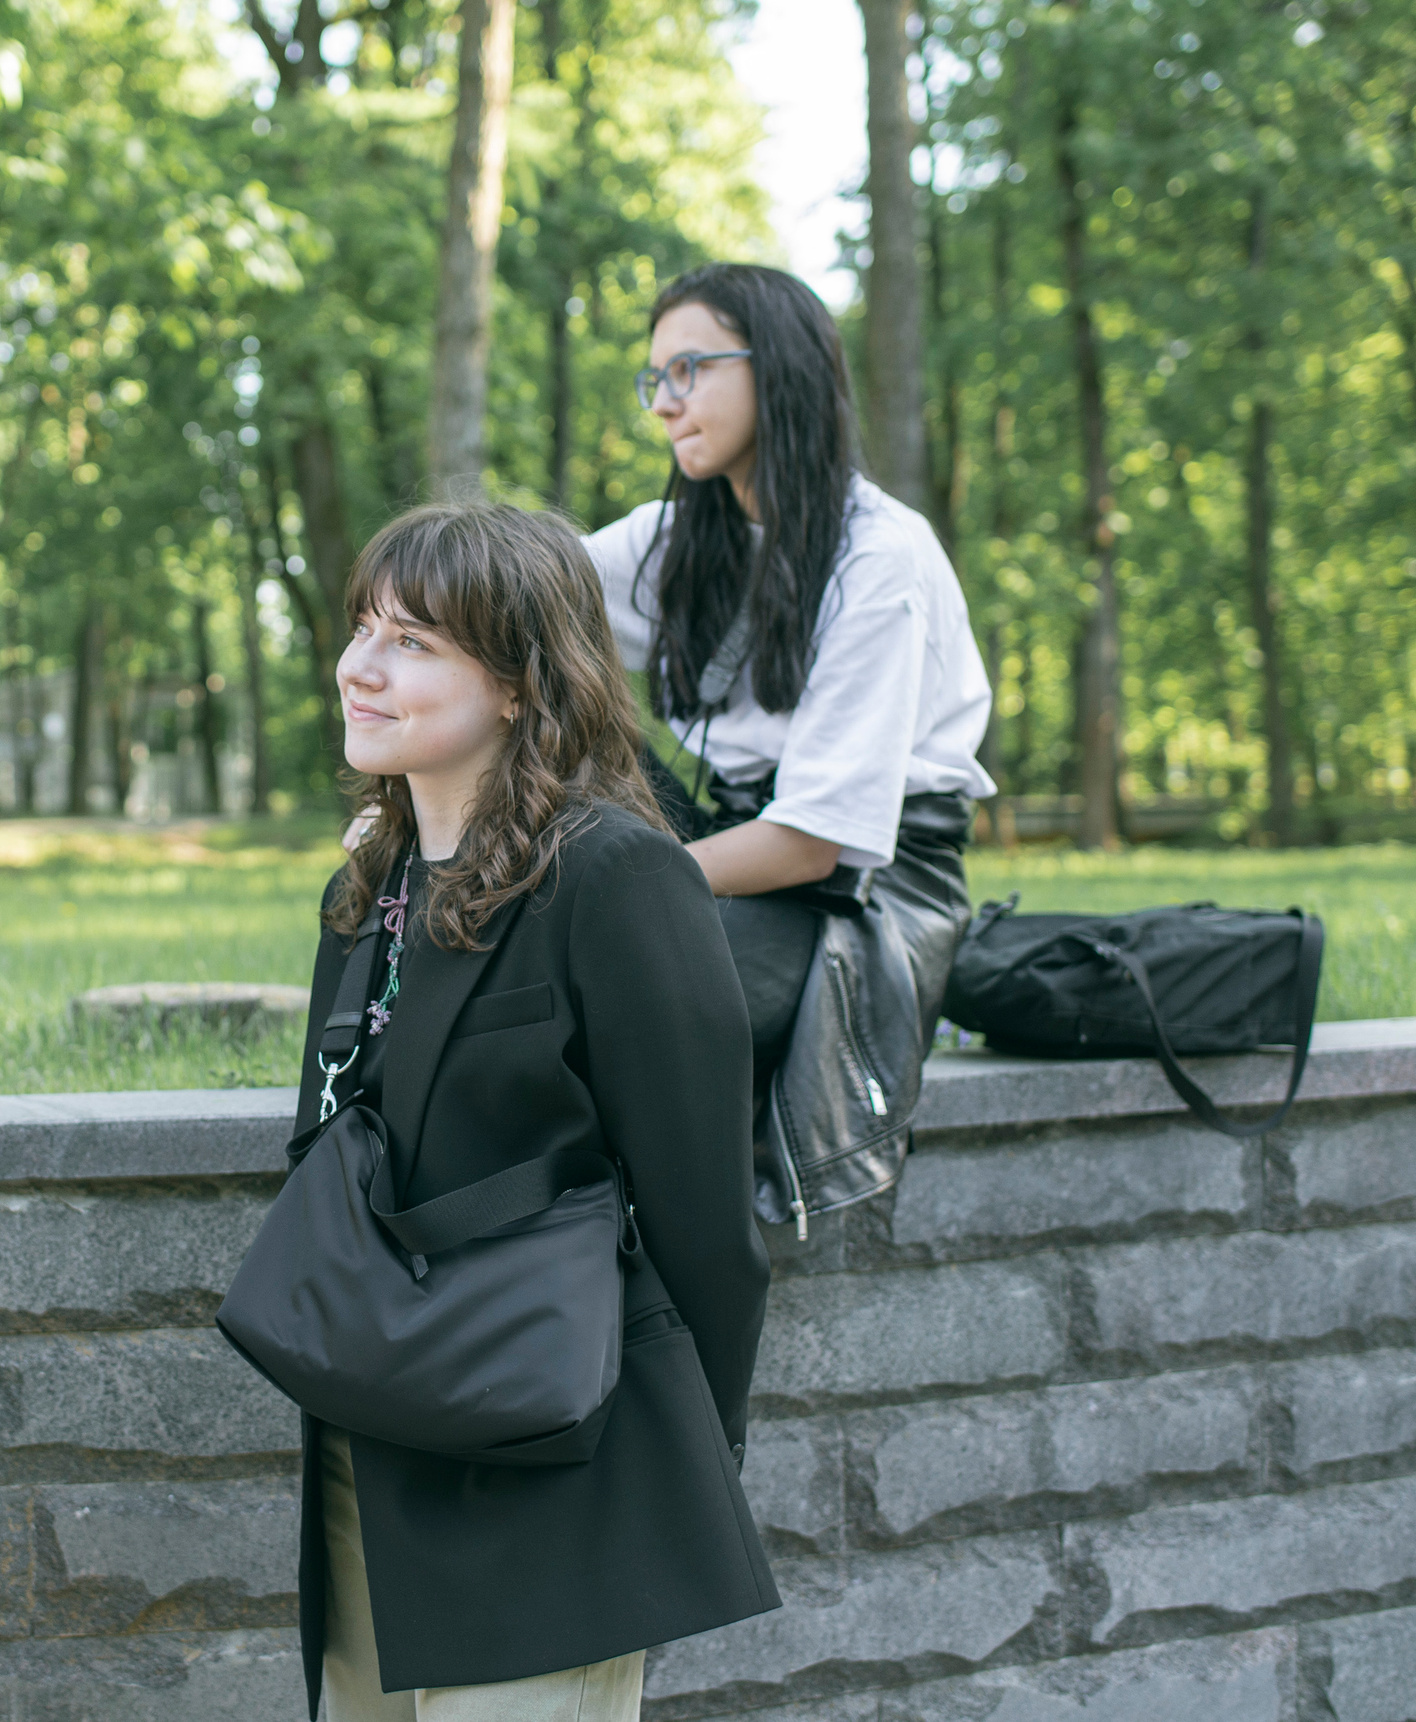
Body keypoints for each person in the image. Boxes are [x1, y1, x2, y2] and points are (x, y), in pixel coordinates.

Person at [297, 503, 776, 1721]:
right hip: (368, 1456)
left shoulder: (619, 877)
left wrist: (688, 1457)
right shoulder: (369, 888)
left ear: (519, 684)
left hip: (560, 1468)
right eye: (363, 628)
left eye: (413, 641)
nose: (361, 667)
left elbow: (705, 1223)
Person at [585, 262, 993, 1232]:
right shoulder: (675, 538)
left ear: (779, 368)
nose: (664, 403)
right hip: (730, 841)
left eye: (688, 370)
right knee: (539, 709)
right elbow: (502, 596)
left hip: (864, 888)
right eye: (655, 379)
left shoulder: (880, 555)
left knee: (618, 983)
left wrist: (594, 894)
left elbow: (813, 842)